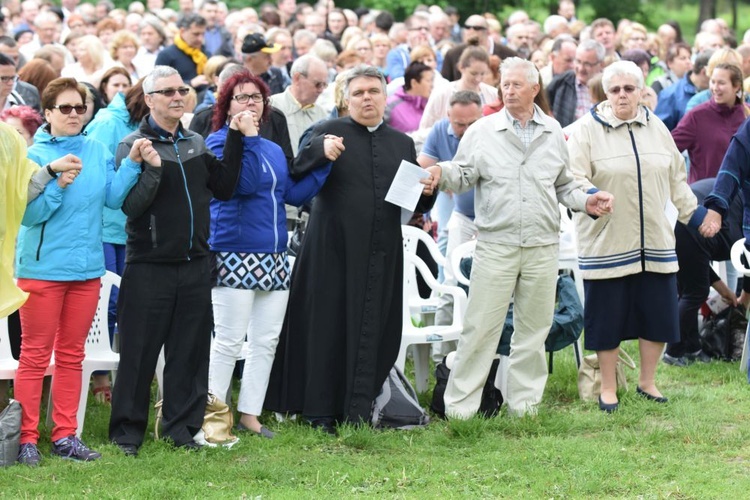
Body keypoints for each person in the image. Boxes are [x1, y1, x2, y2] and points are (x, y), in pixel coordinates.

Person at [424, 58, 614, 418]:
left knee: (533, 329)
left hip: (543, 243)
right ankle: (460, 409)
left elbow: (564, 185)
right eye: (504, 85)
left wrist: (588, 199)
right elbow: (463, 173)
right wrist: (439, 172)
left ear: (534, 88)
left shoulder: (554, 131)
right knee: (481, 328)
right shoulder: (482, 130)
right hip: (497, 243)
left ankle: (525, 407)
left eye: (515, 85)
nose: (508, 91)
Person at [266, 65, 436, 434]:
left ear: (385, 96)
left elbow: (412, 206)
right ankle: (320, 412)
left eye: (373, 91)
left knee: (375, 328)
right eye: (358, 93)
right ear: (345, 99)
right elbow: (295, 174)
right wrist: (319, 151)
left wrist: (428, 192)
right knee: (327, 329)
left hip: (382, 253)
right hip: (332, 250)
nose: (367, 98)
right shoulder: (328, 131)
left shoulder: (402, 143)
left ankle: (360, 409)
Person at [108, 66, 250, 456]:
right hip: (149, 264)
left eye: (182, 89)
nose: (177, 96)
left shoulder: (197, 142)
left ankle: (181, 429)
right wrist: (151, 168)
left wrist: (235, 138)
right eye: (167, 91)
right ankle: (126, 434)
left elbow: (224, 187)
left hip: (194, 263)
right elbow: (131, 207)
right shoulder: (133, 144)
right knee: (138, 354)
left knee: (189, 353)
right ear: (149, 99)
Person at [14, 77, 143, 465]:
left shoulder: (98, 148)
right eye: (65, 108)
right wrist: (56, 181)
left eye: (80, 107)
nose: (74, 114)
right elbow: (30, 215)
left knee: (72, 355)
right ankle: (26, 439)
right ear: (48, 113)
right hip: (42, 269)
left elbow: (114, 198)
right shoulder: (33, 155)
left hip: (87, 270)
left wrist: (133, 165)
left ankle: (66, 436)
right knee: (35, 356)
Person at [566, 61, 707, 413]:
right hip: (606, 239)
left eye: (630, 89)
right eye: (615, 90)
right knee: (607, 317)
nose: (622, 95)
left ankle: (648, 382)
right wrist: (590, 197)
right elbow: (571, 179)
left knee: (657, 314)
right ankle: (608, 387)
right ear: (606, 93)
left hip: (655, 240)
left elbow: (677, 177)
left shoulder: (657, 127)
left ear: (643, 93)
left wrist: (696, 217)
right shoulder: (586, 130)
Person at [206, 70, 336, 439]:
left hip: (274, 256)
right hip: (233, 252)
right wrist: (245, 138)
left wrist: (325, 164)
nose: (251, 104)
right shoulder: (218, 143)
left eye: (257, 98)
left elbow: (291, 195)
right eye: (242, 98)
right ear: (226, 106)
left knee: (266, 341)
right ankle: (216, 414)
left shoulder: (274, 148)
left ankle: (250, 413)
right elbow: (242, 186)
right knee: (230, 341)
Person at [85, 80, 148, 403]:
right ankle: (98, 378)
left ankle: (125, 375)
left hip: (129, 226)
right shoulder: (108, 123)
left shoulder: (143, 122)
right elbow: (92, 171)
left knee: (127, 303)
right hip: (105, 226)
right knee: (106, 305)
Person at [664, 178, 743, 367]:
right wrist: (744, 300)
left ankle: (692, 348)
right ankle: (673, 351)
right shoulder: (741, 205)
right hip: (692, 222)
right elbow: (748, 263)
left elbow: (700, 264)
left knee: (690, 291)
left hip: (680, 218)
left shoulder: (738, 195)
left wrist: (725, 291)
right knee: (695, 293)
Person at [672, 63, 748, 184]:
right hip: (705, 196)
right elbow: (667, 150)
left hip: (740, 198)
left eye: (721, 83)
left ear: (737, 87)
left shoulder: (746, 116)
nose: (715, 88)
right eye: (713, 82)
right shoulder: (697, 116)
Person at [546, 39, 605, 128]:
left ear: (601, 64)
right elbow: (544, 103)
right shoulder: (562, 81)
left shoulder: (608, 86)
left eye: (587, 64)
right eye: (578, 61)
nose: (581, 68)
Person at [385, 61, 433, 134]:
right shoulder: (390, 105)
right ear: (414, 83)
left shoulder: (430, 103)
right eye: (428, 81)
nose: (431, 85)